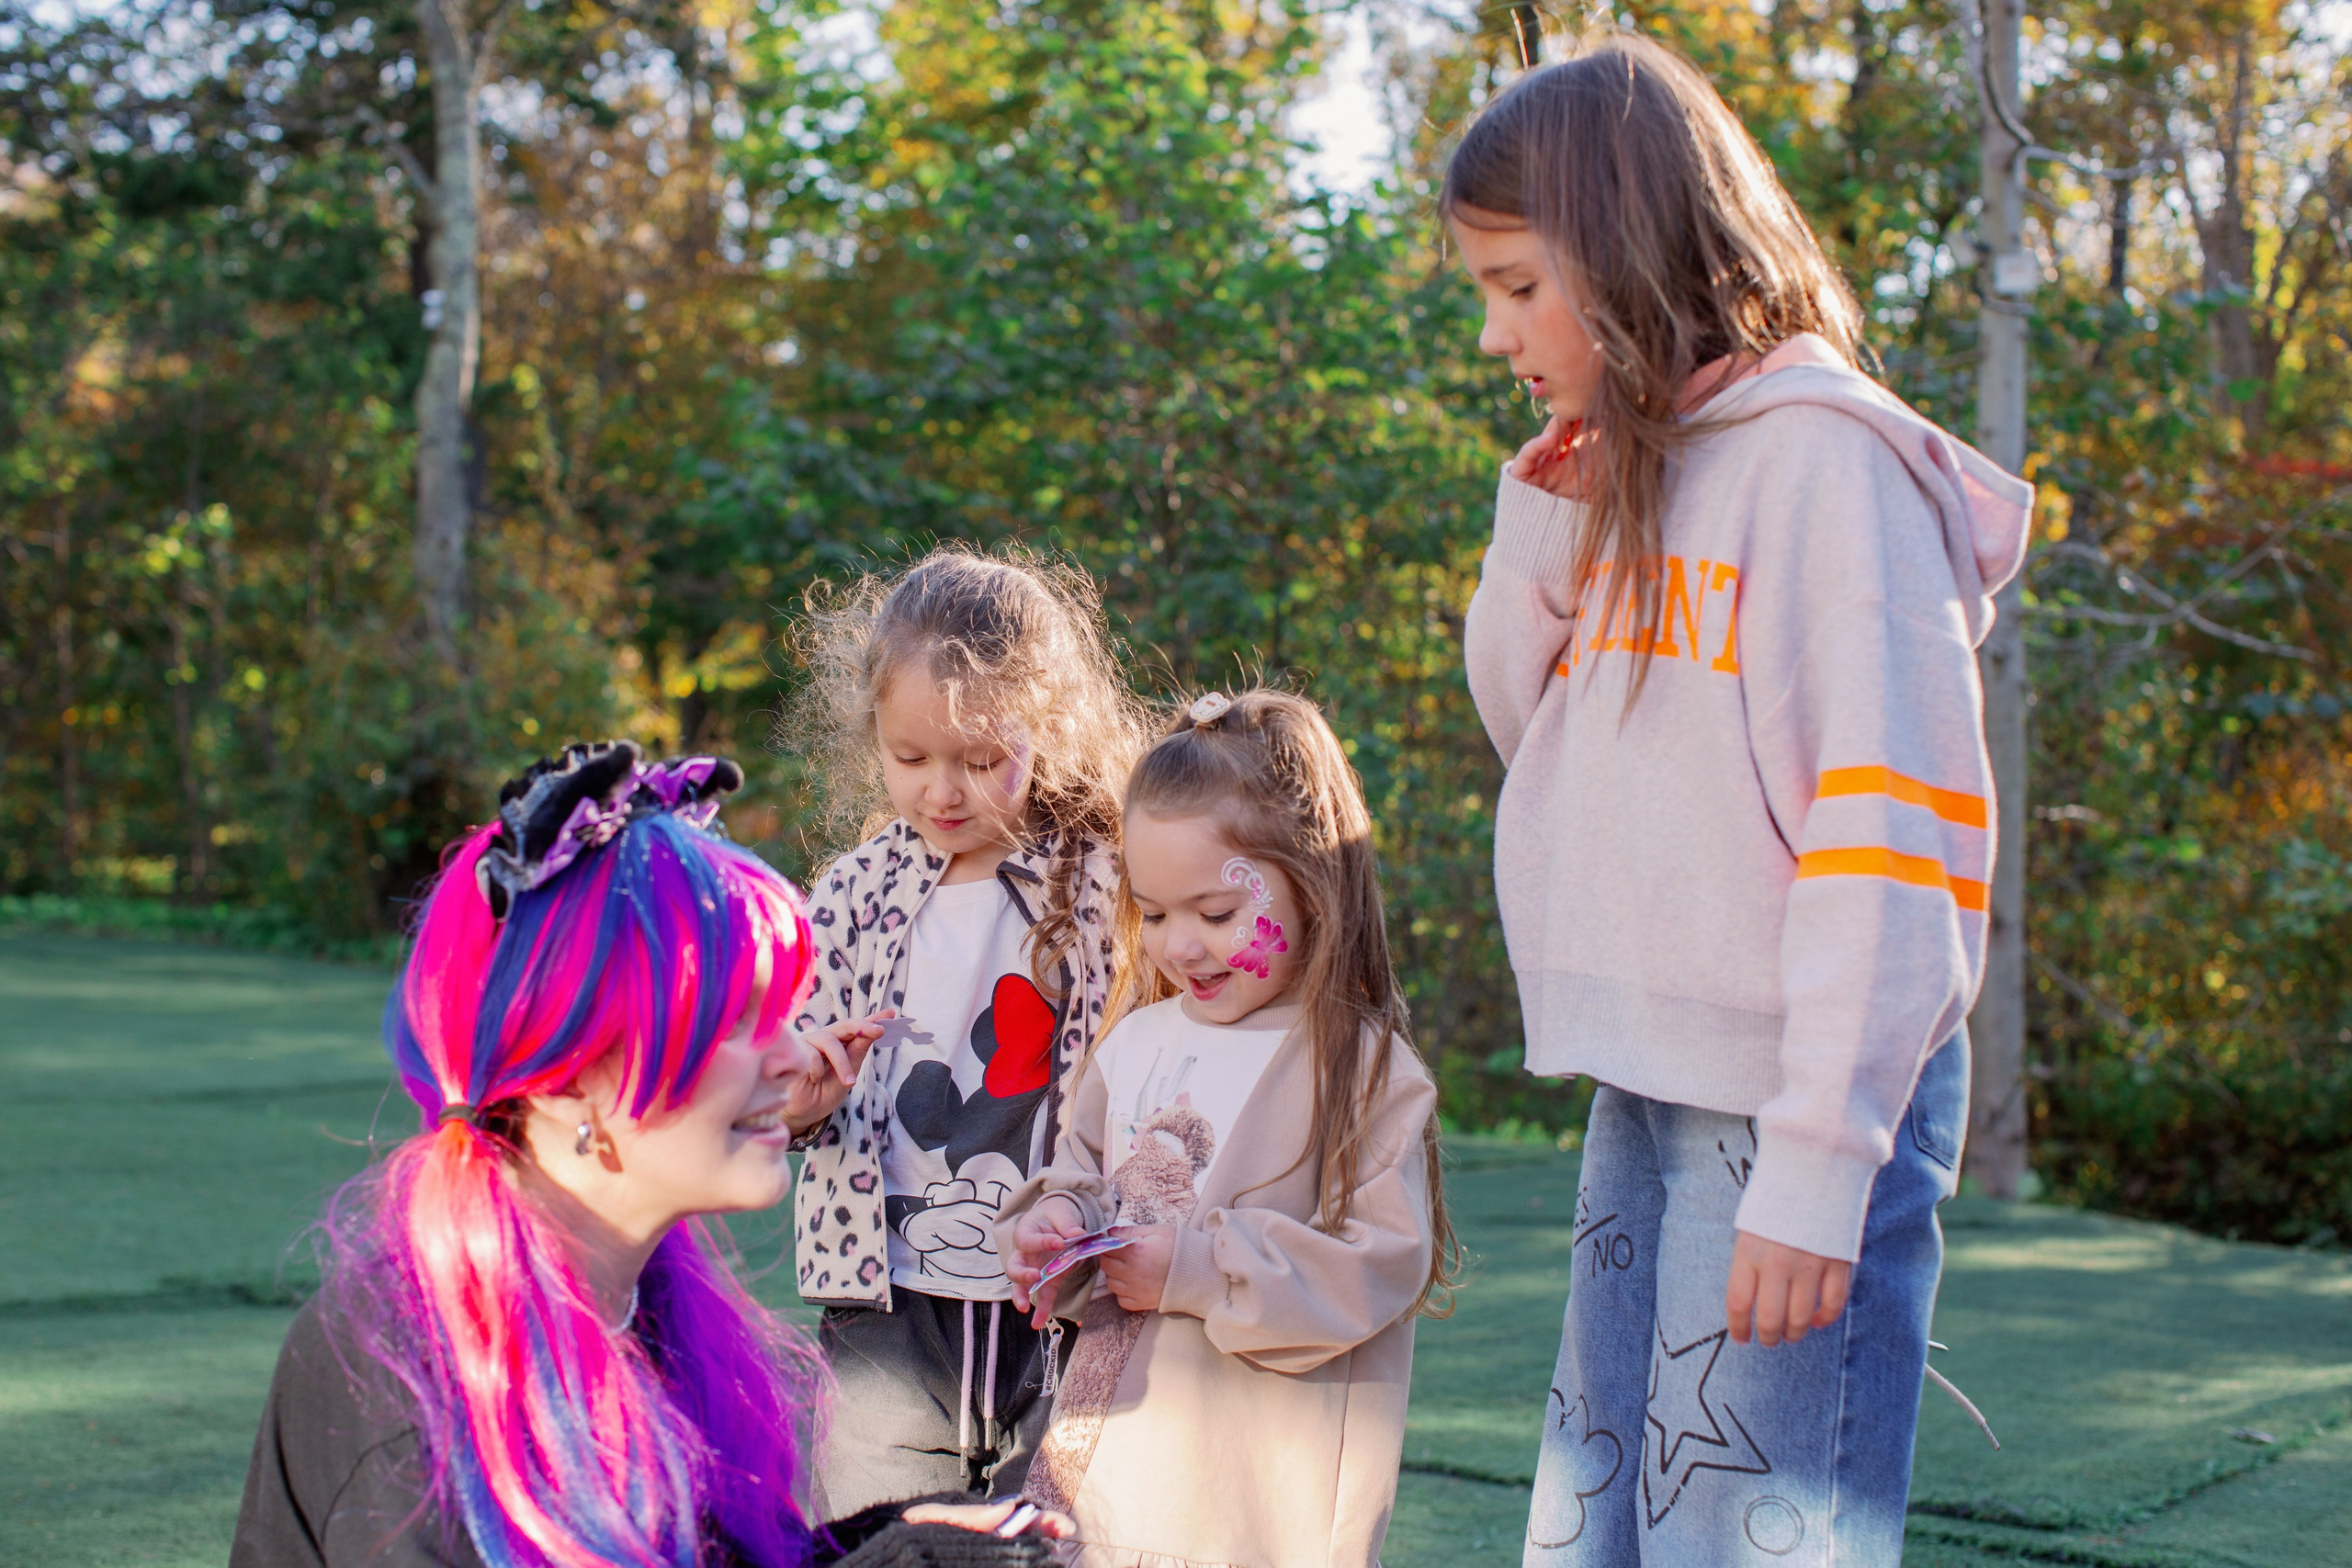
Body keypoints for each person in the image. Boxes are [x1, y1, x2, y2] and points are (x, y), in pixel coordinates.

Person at [1444, 31, 2034, 1567]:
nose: (1499, 330)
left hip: (1795, 1090)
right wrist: (1538, 527)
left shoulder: (1829, 474)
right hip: (1657, 1070)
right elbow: (1538, 741)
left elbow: (1894, 844)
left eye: (1519, 285)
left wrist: (1823, 1162)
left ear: (1627, 251)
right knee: (1608, 1518)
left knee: (1744, 1534)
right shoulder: (1645, 466)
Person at [230, 740, 1070, 1568]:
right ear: (568, 1078)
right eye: (738, 1021)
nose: (791, 1053)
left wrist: (888, 1539)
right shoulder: (406, 1377)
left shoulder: (642, 1307)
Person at [997, 689, 1456, 1568]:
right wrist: (1057, 1224)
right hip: (1118, 1470)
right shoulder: (1134, 1044)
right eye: (1156, 912)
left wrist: (1197, 1268)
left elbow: (1381, 1261)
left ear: (1314, 883)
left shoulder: (1359, 1070)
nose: (1179, 946)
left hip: (1256, 1501)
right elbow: (1082, 1172)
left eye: (1217, 913)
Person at [782, 547, 1149, 1513]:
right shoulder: (851, 895)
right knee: (876, 1532)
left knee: (1057, 1527)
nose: (943, 791)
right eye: (911, 760)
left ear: (1051, 732)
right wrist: (801, 1104)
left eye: (982, 761)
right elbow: (788, 1077)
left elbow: (1149, 1066)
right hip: (887, 1301)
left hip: (1061, 1298)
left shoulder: (1106, 882)